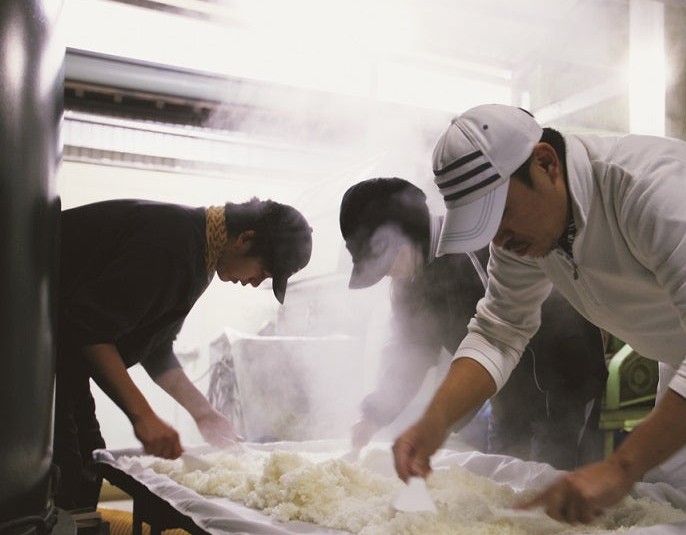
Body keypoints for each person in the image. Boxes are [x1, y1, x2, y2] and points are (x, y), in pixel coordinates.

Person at [393, 104, 686, 535]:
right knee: (673, 505)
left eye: (501, 214)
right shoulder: (520, 240)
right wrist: (434, 422)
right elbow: (498, 332)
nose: (499, 239)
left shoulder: (652, 185)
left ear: (546, 163)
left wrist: (618, 468)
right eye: (484, 227)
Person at [54, 197, 313, 510]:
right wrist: (143, 416)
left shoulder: (197, 250)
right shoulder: (172, 246)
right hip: (26, 354)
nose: (255, 282)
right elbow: (88, 330)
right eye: (264, 271)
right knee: (67, 475)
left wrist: (204, 413)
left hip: (61, 364)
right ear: (245, 239)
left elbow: (156, 347)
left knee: (86, 463)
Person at [340, 177, 607, 468]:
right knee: (503, 487)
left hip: (562, 384)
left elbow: (500, 337)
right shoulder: (410, 281)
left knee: (554, 483)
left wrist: (441, 420)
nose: (389, 274)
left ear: (406, 238)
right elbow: (411, 355)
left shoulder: (476, 246)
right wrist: (373, 416)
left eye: (387, 262)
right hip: (503, 394)